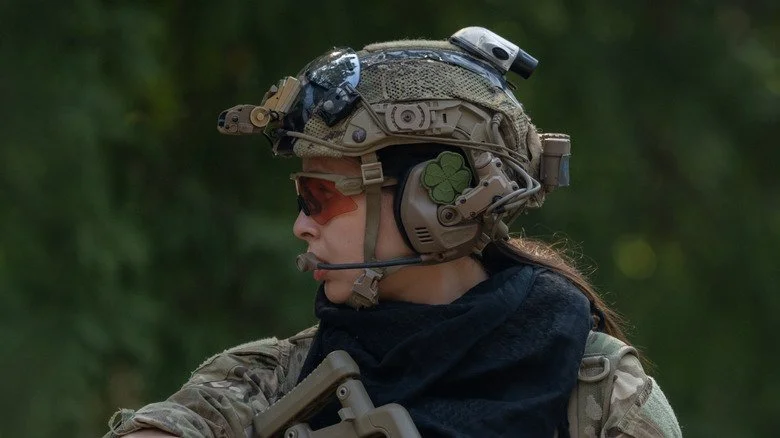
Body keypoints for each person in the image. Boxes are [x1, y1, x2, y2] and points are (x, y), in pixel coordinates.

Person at [105, 27, 681, 437]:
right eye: (301, 196)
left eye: (321, 197)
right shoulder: (274, 379)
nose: (301, 226)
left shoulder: (601, 397)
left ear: (436, 203)